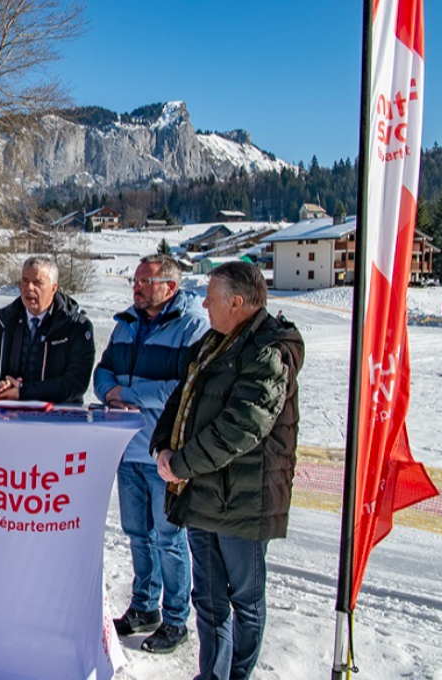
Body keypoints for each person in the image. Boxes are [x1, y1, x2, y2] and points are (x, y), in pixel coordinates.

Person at [151, 261, 304, 680]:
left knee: (246, 602)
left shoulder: (268, 352)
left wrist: (180, 464)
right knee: (211, 601)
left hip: (244, 502)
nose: (203, 303)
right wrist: (163, 445)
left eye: (211, 297)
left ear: (237, 303)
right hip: (202, 494)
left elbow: (238, 429)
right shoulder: (212, 342)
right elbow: (179, 400)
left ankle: (237, 675)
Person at [94, 254, 209, 654]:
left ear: (170, 287)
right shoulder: (126, 322)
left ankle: (176, 618)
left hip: (164, 453)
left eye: (145, 281)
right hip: (125, 450)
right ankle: (144, 607)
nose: (136, 287)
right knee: (137, 534)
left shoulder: (191, 326)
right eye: (135, 280)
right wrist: (108, 391)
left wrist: (127, 395)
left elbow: (183, 389)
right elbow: (102, 370)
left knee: (169, 539)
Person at [0, 256, 96, 405]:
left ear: (54, 288)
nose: (29, 288)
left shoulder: (76, 327)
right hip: (9, 416)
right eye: (25, 281)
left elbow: (76, 382)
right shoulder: (5, 323)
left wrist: (23, 391)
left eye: (37, 283)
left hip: (57, 420)